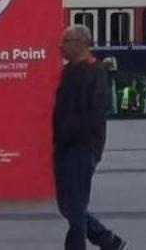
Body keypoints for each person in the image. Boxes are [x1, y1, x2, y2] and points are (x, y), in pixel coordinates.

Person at [53, 24, 125, 250]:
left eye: (65, 41)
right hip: (64, 146)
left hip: (83, 147)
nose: (60, 46)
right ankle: (107, 240)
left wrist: (68, 131)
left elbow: (91, 114)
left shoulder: (95, 72)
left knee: (75, 206)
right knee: (67, 205)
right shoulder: (68, 72)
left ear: (80, 44)